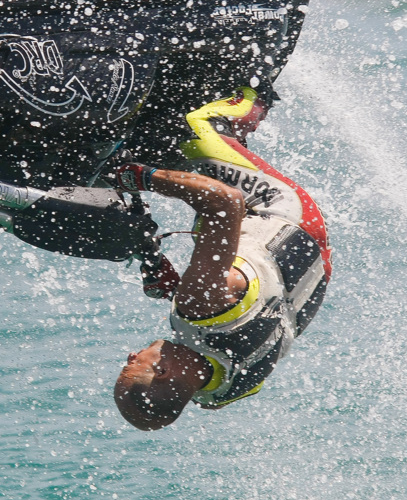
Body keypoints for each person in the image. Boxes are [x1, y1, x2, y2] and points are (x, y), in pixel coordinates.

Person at [109, 84, 332, 430]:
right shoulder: (199, 305)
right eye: (131, 366)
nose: (130, 356)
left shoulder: (220, 392)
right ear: (162, 370)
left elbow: (228, 341)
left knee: (188, 180)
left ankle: (225, 147)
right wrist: (136, 176)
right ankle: (252, 90)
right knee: (190, 126)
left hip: (310, 269)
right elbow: (224, 202)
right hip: (280, 214)